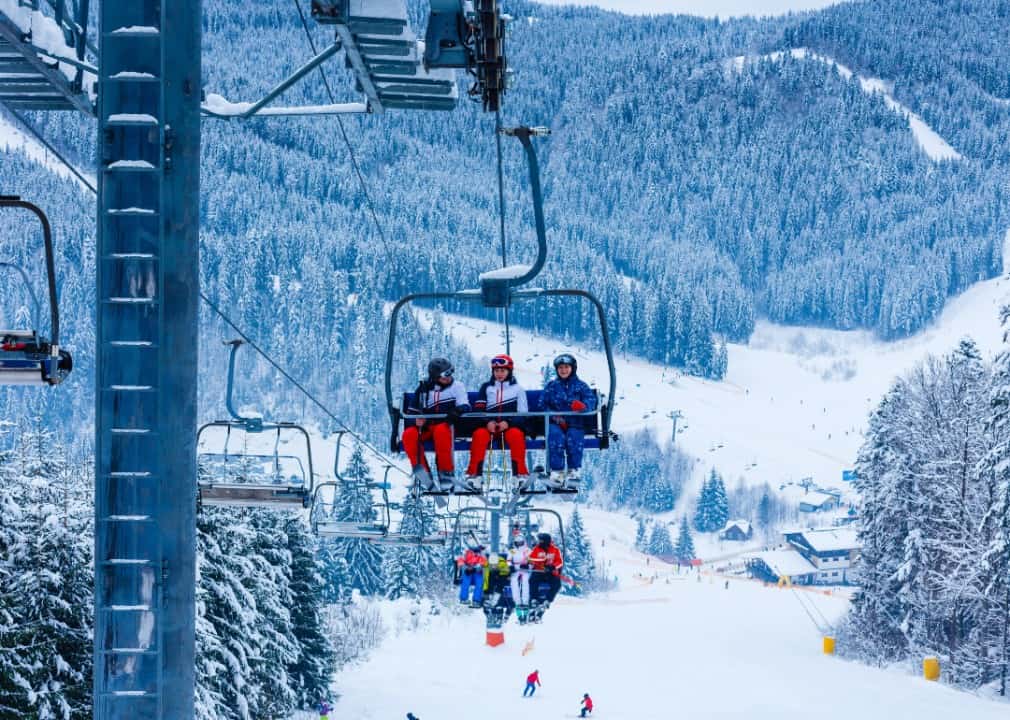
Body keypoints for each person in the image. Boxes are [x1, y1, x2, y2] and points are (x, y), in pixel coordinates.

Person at [402, 357, 470, 492]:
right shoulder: (424, 390)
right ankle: (424, 476)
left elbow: (465, 404)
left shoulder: (457, 386)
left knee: (441, 430)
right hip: (427, 427)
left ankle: (446, 476)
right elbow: (411, 412)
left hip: (446, 426)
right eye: (445, 375)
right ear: (435, 377)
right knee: (409, 435)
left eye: (450, 373)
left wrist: (457, 411)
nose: (449, 378)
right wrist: (417, 420)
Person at [466, 354, 530, 483]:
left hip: (510, 427)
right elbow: (479, 409)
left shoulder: (518, 389)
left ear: (509, 371)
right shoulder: (486, 388)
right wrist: (487, 422)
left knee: (517, 436)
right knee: (479, 435)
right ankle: (474, 475)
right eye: (496, 371)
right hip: (489, 426)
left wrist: (508, 423)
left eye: (503, 370)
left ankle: (519, 475)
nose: (499, 374)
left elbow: (523, 414)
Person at [542, 353, 595, 488]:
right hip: (556, 423)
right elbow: (543, 404)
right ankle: (557, 472)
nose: (563, 370)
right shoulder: (552, 386)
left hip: (575, 423)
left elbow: (591, 400)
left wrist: (583, 406)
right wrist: (555, 416)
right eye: (560, 368)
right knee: (555, 437)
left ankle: (573, 471)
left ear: (572, 368)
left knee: (574, 437)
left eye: (566, 367)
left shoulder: (581, 386)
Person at [528, 532, 563, 604]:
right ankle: (534, 598)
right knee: (532, 581)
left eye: (541, 540)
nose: (539, 542)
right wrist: (537, 563)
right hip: (539, 571)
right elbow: (531, 559)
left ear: (546, 541)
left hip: (550, 572)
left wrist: (553, 566)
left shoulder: (555, 550)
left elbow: (559, 562)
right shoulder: (536, 549)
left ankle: (548, 599)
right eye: (539, 540)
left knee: (557, 583)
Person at [508, 536, 532, 607]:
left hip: (525, 569)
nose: (519, 544)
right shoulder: (512, 551)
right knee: (514, 581)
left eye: (520, 542)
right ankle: (517, 600)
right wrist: (510, 566)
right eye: (517, 543)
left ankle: (525, 601)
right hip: (516, 569)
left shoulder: (528, 550)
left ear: (523, 542)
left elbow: (532, 561)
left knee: (526, 581)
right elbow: (508, 560)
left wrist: (528, 565)